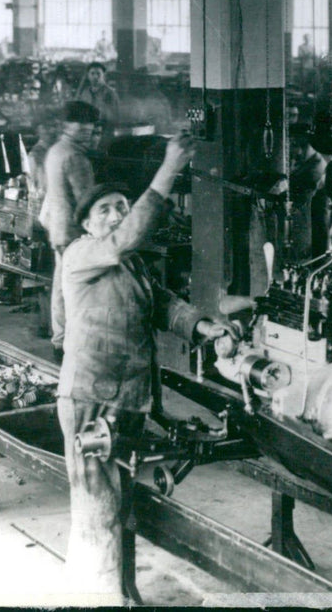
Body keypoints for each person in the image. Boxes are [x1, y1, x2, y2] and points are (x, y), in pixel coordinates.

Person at [57, 132, 237, 604]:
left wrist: (203, 328)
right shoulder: (82, 256)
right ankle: (97, 598)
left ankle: (120, 587)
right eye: (106, 210)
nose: (117, 214)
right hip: (92, 398)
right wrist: (169, 168)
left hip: (130, 397)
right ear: (87, 226)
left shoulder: (131, 265)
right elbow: (125, 239)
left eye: (122, 205)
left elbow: (165, 306)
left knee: (121, 503)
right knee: (96, 506)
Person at [39, 101, 100, 357]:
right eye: (82, 125)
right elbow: (87, 200)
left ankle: (60, 338)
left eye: (90, 125)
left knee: (61, 285)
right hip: (74, 233)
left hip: (58, 229)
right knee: (74, 289)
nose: (87, 130)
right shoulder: (75, 156)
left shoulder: (56, 150)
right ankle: (68, 342)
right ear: (68, 125)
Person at [288, 124, 327, 261]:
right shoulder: (308, 160)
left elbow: (301, 188)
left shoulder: (316, 165)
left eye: (297, 145)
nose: (297, 152)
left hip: (310, 219)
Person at [77, 62, 121, 131]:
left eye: (98, 74)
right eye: (92, 73)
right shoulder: (85, 93)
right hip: (87, 131)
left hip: (104, 132)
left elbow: (114, 117)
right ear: (88, 76)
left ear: (104, 75)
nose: (95, 77)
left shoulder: (110, 93)